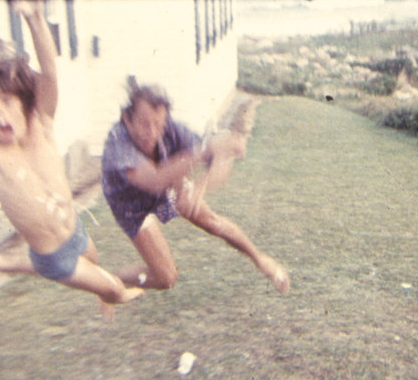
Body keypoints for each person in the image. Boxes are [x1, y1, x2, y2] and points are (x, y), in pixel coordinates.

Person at [0, 0, 144, 316]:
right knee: (113, 286)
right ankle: (112, 296)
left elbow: (49, 71)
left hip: (75, 231)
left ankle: (12, 264)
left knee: (94, 259)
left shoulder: (41, 124)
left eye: (6, 101)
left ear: (23, 100)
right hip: (55, 256)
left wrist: (35, 17)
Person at [101, 78, 290, 293]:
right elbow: (154, 179)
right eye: (145, 124)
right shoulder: (117, 145)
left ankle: (261, 260)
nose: (152, 132)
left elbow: (219, 158)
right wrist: (207, 150)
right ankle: (109, 280)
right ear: (127, 119)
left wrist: (202, 184)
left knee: (211, 221)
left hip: (165, 184)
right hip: (130, 203)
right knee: (166, 277)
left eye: (159, 124)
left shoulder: (170, 128)